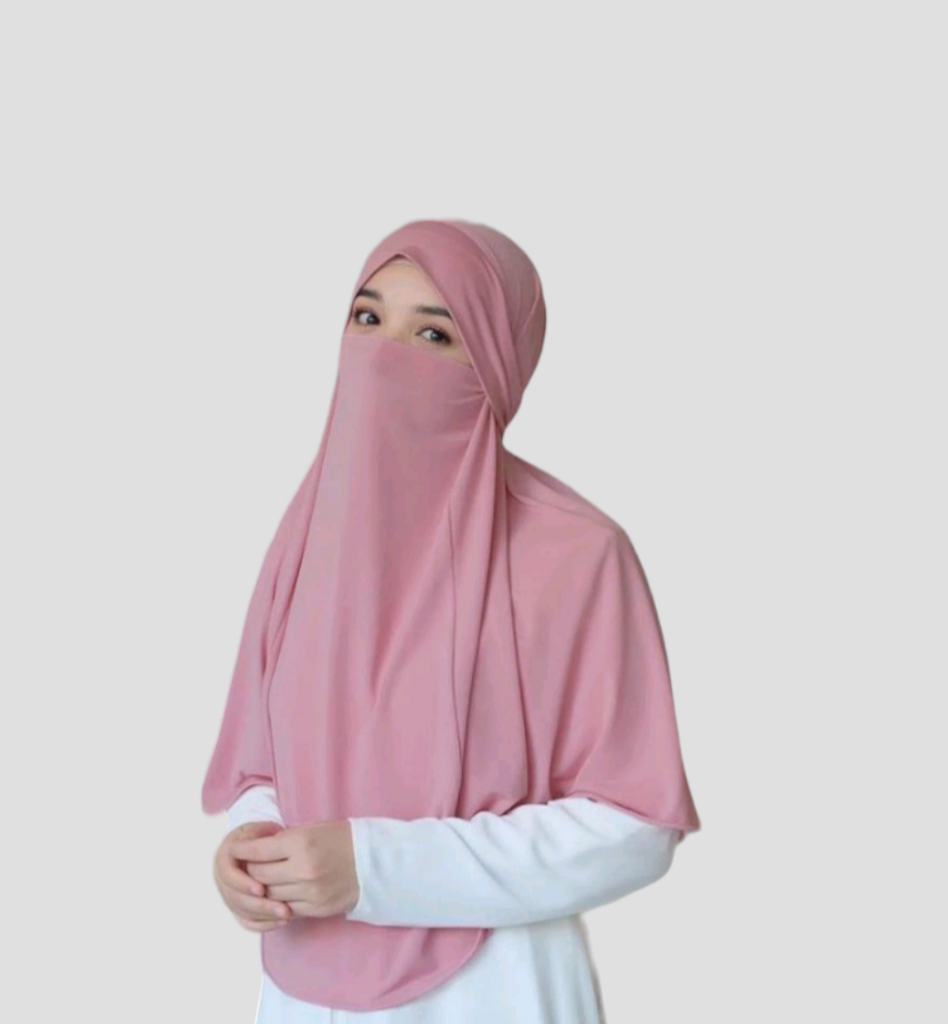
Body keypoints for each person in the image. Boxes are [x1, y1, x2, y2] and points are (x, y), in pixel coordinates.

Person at [201, 219, 701, 1023]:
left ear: (496, 368)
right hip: (305, 984)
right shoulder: (310, 539)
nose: (384, 354)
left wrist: (375, 867)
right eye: (367, 318)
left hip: (495, 991)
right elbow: (263, 768)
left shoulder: (574, 552)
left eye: (433, 334)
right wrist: (257, 849)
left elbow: (636, 824)